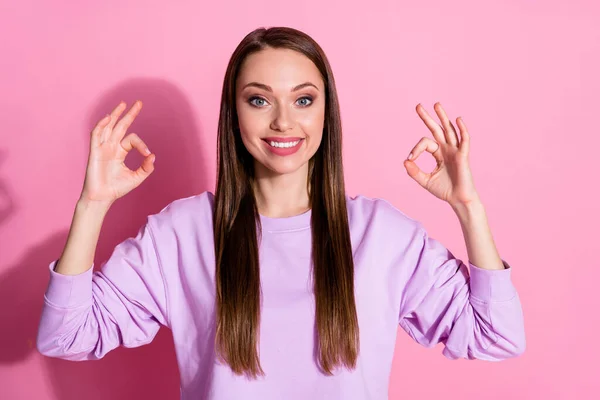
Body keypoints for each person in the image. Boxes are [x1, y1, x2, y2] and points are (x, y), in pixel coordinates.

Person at [36, 26, 526, 399]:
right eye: (259, 100)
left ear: (325, 111)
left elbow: (496, 336)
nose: (283, 121)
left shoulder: (383, 235)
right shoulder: (181, 233)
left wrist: (469, 208)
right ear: (234, 111)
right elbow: (66, 336)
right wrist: (92, 206)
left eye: (304, 100)